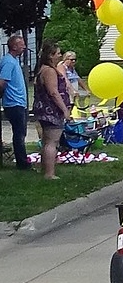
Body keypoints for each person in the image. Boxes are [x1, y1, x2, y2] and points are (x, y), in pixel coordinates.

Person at [33, 39, 72, 179]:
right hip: (51, 111)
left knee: (46, 141)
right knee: (52, 142)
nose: (60, 56)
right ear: (50, 55)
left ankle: (45, 169)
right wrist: (65, 110)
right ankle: (49, 173)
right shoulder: (49, 71)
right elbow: (53, 92)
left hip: (43, 109)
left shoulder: (43, 69)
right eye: (58, 53)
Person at [0, 34, 31, 170]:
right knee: (19, 134)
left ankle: (22, 160)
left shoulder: (14, 60)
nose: (24, 47)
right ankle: (22, 163)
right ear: (14, 46)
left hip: (19, 102)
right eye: (21, 44)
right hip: (14, 104)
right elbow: (2, 82)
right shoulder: (8, 62)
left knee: (21, 133)